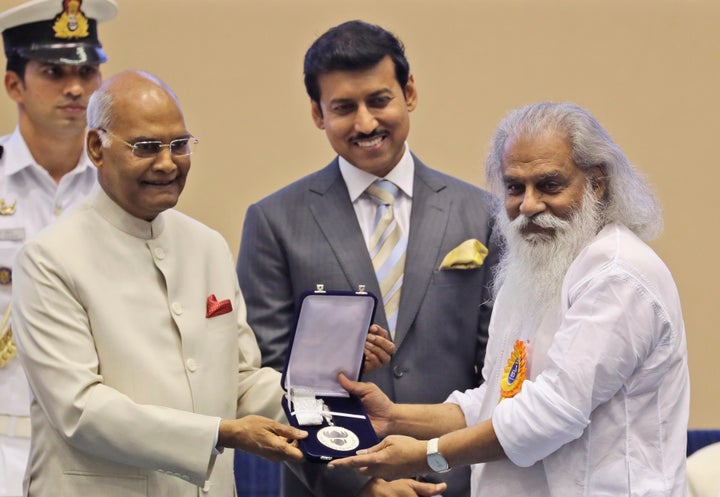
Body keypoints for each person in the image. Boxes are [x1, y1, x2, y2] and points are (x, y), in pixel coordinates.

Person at [330, 101, 690, 497]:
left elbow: (554, 412)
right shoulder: (532, 270)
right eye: (515, 187)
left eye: (549, 185)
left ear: (596, 182)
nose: (529, 206)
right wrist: (395, 418)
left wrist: (427, 456)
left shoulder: (617, 273)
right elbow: (495, 401)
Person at [11, 70, 308, 497]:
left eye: (179, 145)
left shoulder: (207, 245)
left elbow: (239, 379)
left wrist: (325, 387)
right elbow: (81, 410)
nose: (167, 163)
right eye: (146, 147)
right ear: (96, 147)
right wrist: (221, 433)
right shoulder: (50, 258)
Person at [237, 19, 499, 497]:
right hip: (332, 485)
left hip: (460, 482)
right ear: (317, 113)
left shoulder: (481, 214)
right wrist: (358, 486)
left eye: (379, 100)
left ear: (409, 93)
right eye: (343, 108)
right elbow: (266, 380)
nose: (365, 123)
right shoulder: (274, 221)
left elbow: (494, 370)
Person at [0, 1, 116, 495]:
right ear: (14, 85)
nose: (75, 88)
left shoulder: (122, 188)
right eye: (53, 71)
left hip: (100, 445)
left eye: (87, 71)